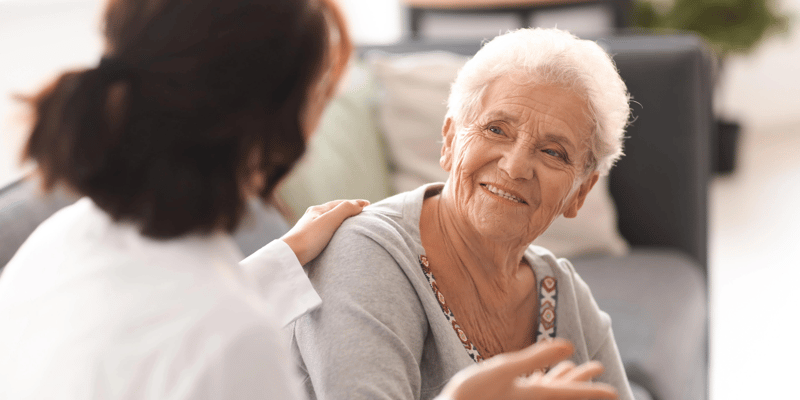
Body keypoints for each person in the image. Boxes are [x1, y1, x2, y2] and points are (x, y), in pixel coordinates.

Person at [0, 1, 617, 399]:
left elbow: (151, 331)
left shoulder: (60, 242)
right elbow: (193, 338)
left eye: (554, 153)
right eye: (324, 88)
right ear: (281, 124)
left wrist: (279, 262)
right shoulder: (227, 336)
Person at [291, 27, 635, 400]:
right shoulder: (366, 254)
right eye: (496, 129)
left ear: (579, 193)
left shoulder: (562, 292)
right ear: (451, 141)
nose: (515, 166)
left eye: (553, 152)